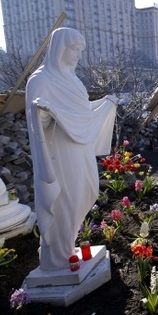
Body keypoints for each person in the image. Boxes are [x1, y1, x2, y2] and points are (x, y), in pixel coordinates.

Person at [25, 27, 120, 271]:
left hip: (80, 147)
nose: (78, 55)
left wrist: (105, 105)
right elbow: (38, 122)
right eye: (74, 49)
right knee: (65, 199)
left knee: (85, 192)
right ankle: (58, 255)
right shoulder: (40, 80)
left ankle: (68, 246)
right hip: (60, 150)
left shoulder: (73, 80)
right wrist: (45, 113)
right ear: (60, 49)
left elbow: (81, 113)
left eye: (80, 49)